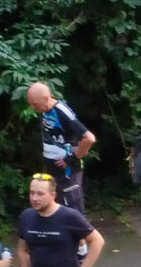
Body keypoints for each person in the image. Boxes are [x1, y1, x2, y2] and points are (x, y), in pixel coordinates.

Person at [27, 79, 97, 212]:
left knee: (72, 212)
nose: (32, 108)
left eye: (35, 104)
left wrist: (72, 159)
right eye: (30, 104)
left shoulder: (61, 111)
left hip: (68, 173)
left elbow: (89, 138)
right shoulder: (44, 110)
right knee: (55, 211)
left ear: (46, 98)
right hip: (53, 171)